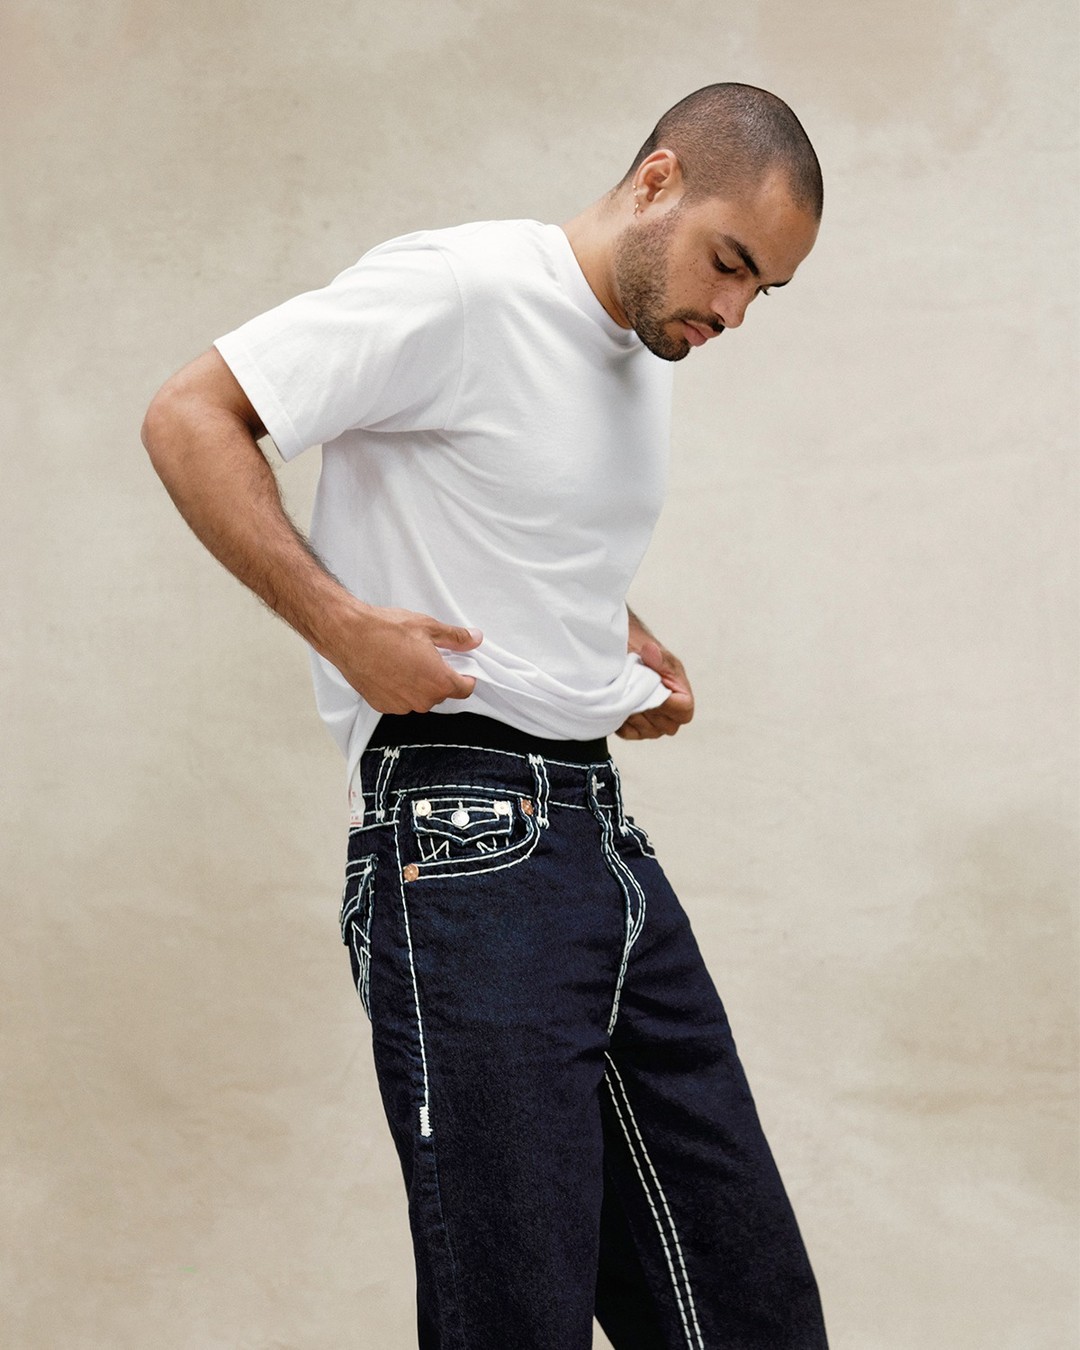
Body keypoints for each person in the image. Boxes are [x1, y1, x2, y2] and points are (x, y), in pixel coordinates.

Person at [142, 82, 828, 1350]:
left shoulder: (641, 349)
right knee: (516, 1316)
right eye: (732, 264)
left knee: (753, 1313)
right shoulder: (461, 290)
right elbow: (191, 415)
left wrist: (614, 636)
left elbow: (509, 513)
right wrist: (342, 624)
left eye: (760, 294)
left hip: (599, 841)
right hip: (461, 840)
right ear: (659, 181)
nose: (732, 312)